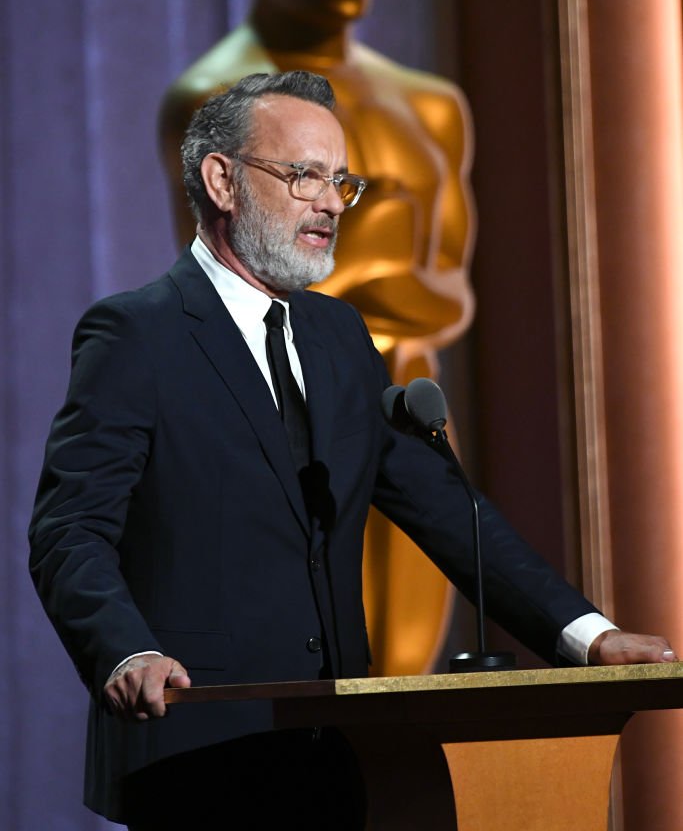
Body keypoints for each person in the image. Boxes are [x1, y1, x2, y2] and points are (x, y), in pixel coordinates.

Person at [30, 71, 675, 830]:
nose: (332, 203)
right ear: (222, 180)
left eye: (340, 181)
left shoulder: (339, 338)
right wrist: (125, 654)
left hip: (337, 752)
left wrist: (586, 636)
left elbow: (445, 511)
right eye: (304, 175)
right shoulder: (137, 334)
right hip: (195, 748)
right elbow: (69, 531)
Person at [159, 0, 476, 674]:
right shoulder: (215, 96)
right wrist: (380, 281)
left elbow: (446, 285)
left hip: (404, 393)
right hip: (284, 410)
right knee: (305, 662)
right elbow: (227, 278)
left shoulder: (428, 105)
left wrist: (579, 630)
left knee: (409, 668)